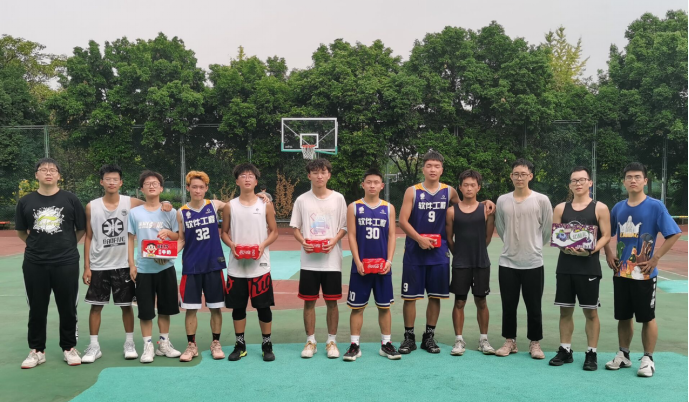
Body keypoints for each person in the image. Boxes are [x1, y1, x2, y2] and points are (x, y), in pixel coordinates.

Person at [398, 150, 495, 354]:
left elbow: (466, 208)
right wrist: (419, 239)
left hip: (438, 253)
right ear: (423, 168)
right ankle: (409, 337)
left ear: (442, 169)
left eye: (437, 166)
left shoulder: (449, 191)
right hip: (415, 251)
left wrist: (485, 202)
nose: (433, 169)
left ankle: (429, 337)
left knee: (435, 296)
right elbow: (403, 221)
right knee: (410, 297)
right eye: (429, 166)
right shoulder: (412, 191)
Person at [81, 164, 173, 363]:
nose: (111, 182)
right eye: (108, 179)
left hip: (123, 264)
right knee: (96, 306)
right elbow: (88, 236)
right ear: (101, 182)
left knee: (126, 306)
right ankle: (94, 345)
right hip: (98, 264)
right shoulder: (91, 206)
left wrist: (166, 202)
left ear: (121, 182)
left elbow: (152, 202)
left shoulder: (130, 202)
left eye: (115, 179)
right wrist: (86, 266)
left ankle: (129, 343)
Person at [603, 162, 681, 377]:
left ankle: (648, 358)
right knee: (623, 316)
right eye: (629, 177)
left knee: (647, 317)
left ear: (645, 181)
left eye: (637, 177)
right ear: (623, 181)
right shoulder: (618, 208)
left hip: (644, 273)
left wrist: (655, 258)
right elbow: (605, 233)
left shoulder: (655, 206)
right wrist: (608, 253)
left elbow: (674, 233)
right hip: (621, 271)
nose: (633, 180)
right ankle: (623, 354)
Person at [17, 158, 86, 369]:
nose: (48, 173)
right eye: (43, 169)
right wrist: (37, 246)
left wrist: (66, 246)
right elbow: (21, 231)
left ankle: (69, 347)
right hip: (35, 263)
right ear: (36, 174)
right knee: (37, 308)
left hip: (66, 262)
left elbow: (81, 229)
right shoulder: (25, 201)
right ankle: (37, 350)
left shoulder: (71, 199)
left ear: (59, 175)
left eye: (53, 170)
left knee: (68, 307)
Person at [549, 166, 611, 371]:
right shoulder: (560, 208)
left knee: (590, 313)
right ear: (570, 185)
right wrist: (565, 247)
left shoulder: (599, 208)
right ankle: (565, 350)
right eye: (574, 180)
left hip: (589, 268)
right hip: (565, 267)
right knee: (565, 311)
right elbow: (557, 236)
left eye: (582, 180)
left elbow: (606, 235)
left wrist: (591, 250)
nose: (578, 183)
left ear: (590, 183)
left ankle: (591, 353)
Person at [494, 158, 553, 359]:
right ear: (511, 176)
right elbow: (500, 227)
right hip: (507, 262)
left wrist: (534, 246)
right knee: (508, 305)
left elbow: (547, 230)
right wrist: (512, 245)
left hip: (533, 262)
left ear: (531, 176)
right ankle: (509, 341)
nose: (519, 178)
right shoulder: (502, 200)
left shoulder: (541, 200)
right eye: (516, 174)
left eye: (523, 174)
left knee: (534, 306)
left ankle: (535, 343)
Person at [290, 158, 348, 359]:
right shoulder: (301, 200)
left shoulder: (338, 198)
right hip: (309, 262)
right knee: (309, 302)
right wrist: (303, 241)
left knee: (332, 302)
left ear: (329, 175)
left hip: (332, 262)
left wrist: (334, 240)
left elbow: (344, 227)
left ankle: (331, 341)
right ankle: (311, 341)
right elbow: (295, 228)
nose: (319, 176)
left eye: (323, 172)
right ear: (309, 176)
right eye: (315, 173)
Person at [222, 163, 279, 362]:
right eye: (243, 176)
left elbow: (274, 231)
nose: (247, 179)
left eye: (251, 176)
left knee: (263, 307)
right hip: (237, 267)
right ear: (237, 181)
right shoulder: (230, 206)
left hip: (260, 266)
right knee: (238, 308)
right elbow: (224, 232)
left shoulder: (265, 204)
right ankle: (240, 344)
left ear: (256, 181)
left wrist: (262, 245)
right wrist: (232, 245)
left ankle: (267, 344)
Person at [343, 168, 401, 361]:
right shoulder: (354, 207)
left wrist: (389, 261)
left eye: (376, 182)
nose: (372, 185)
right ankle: (354, 345)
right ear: (363, 185)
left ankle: (386, 344)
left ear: (382, 185)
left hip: (382, 266)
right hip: (361, 267)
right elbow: (351, 236)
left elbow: (392, 235)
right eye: (369, 182)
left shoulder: (388, 208)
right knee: (357, 307)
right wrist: (357, 261)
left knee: (384, 307)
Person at [128, 170, 181, 363]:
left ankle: (163, 344)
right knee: (145, 310)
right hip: (144, 269)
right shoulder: (135, 213)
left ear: (161, 188)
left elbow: (177, 236)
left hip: (165, 267)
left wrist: (168, 233)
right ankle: (148, 346)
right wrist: (131, 264)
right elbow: (130, 238)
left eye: (155, 183)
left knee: (165, 308)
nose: (151, 186)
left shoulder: (170, 212)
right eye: (147, 183)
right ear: (141, 189)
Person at [177, 171, 228, 362]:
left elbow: (239, 205)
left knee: (216, 307)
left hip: (213, 264)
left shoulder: (214, 205)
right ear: (188, 188)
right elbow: (181, 239)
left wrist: (260, 197)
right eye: (194, 187)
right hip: (192, 266)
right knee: (191, 308)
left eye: (201, 187)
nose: (197, 190)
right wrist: (169, 254)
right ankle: (192, 346)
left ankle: (216, 343)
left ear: (206, 188)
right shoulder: (181, 212)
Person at [446, 169, 496, 356]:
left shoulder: (486, 210)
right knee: (459, 301)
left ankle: (484, 340)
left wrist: (477, 251)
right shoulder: (452, 211)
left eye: (472, 185)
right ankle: (459, 340)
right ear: (460, 187)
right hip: (461, 264)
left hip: (481, 262)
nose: (469, 188)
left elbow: (487, 237)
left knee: (481, 301)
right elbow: (449, 238)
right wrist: (459, 255)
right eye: (465, 185)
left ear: (478, 188)